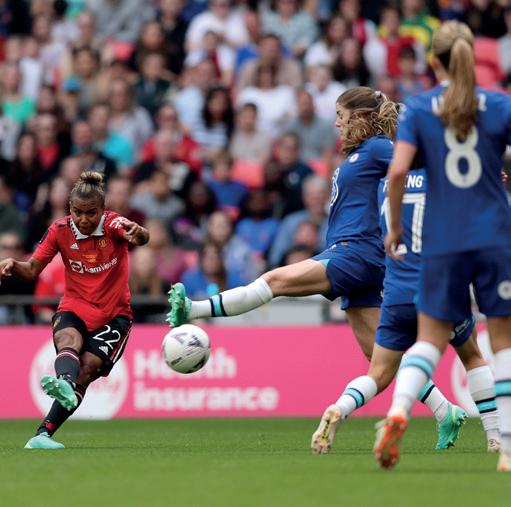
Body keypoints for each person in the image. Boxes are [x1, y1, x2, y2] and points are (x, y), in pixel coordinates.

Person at [167, 87, 396, 366]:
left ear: (358, 116)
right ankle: (435, 398)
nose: (337, 123)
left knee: (272, 282)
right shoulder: (360, 152)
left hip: (355, 253)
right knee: (380, 359)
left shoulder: (378, 146)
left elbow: (414, 163)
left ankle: (192, 309)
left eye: (341, 115)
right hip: (356, 256)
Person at [374, 21, 511, 472]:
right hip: (493, 237)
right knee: (502, 344)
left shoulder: (418, 107)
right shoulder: (499, 104)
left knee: (429, 339)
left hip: (443, 241)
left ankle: (399, 412)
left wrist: (395, 227)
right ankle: (507, 449)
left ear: (434, 61)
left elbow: (397, 172)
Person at [311, 165, 500, 455]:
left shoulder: (385, 185)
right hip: (439, 287)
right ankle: (495, 437)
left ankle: (340, 407)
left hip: (396, 293)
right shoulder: (443, 180)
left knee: (379, 372)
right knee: (472, 356)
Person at [0, 171, 149, 449]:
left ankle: (42, 434)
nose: (84, 219)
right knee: (67, 340)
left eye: (91, 213)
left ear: (102, 210)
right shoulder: (60, 230)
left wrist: (139, 233)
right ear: (70, 208)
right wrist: (12, 264)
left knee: (87, 369)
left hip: (114, 316)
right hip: (75, 306)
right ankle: (64, 385)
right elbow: (31, 269)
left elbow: (141, 236)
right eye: (78, 212)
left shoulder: (113, 224)